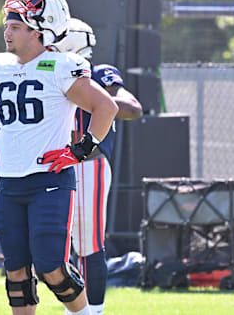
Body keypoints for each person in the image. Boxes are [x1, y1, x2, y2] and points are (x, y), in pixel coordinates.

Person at [0, 0, 118, 315]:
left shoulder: (61, 67)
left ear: (39, 31)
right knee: (15, 272)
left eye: (16, 26)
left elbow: (106, 107)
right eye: (7, 24)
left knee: (51, 267)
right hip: (8, 181)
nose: (7, 32)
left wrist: (79, 151)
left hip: (48, 181)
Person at [51, 18, 143, 315]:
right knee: (56, 245)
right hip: (52, 166)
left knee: (89, 243)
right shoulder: (45, 71)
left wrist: (90, 94)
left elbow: (131, 108)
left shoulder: (98, 74)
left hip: (87, 164)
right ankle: (75, 309)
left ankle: (95, 311)